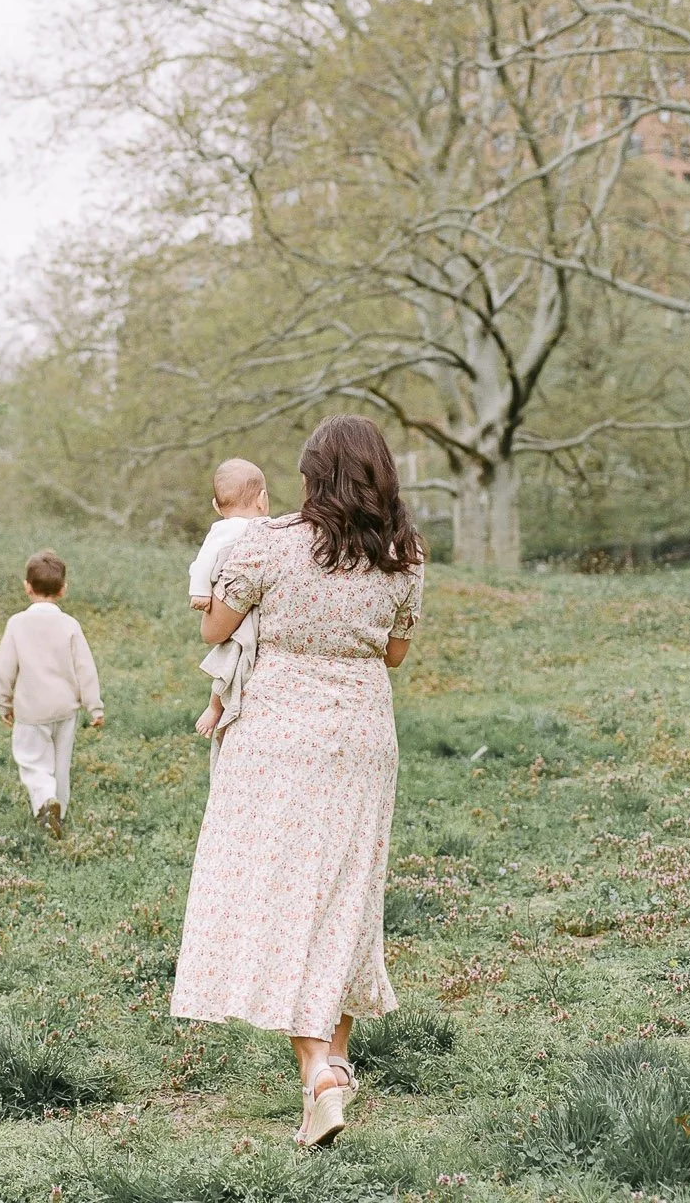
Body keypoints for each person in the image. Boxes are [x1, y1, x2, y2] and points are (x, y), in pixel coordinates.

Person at [170, 416, 424, 1151]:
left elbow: (214, 629)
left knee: (282, 895)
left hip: (276, 734)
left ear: (314, 476)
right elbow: (398, 651)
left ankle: (318, 1071)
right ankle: (333, 1062)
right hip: (360, 735)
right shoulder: (402, 554)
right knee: (343, 893)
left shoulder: (269, 544)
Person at [0, 549, 104, 839]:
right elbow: (85, 668)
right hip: (65, 708)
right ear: (63, 589)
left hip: (31, 709)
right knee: (60, 763)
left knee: (32, 760)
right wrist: (94, 706)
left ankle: (44, 801)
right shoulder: (70, 625)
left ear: (26, 586)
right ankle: (60, 813)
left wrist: (3, 701)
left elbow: (5, 667)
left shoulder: (17, 623)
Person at [188, 459, 270, 762]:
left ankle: (217, 705)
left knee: (233, 654)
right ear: (262, 499)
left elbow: (201, 561)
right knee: (233, 653)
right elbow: (204, 561)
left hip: (240, 601)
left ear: (215, 504)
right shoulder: (235, 529)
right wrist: (199, 592)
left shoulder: (234, 527)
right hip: (235, 603)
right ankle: (215, 706)